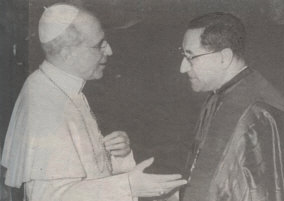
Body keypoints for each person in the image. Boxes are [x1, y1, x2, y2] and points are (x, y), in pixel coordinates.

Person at [1, 3, 186, 201]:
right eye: (100, 45)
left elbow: (83, 174)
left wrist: (117, 157)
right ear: (67, 53)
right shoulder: (45, 102)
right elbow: (48, 196)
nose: (110, 51)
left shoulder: (65, 88)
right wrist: (129, 187)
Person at [178, 12, 284, 201]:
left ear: (223, 57)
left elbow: (265, 192)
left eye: (191, 57)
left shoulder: (258, 113)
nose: (183, 68)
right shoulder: (218, 95)